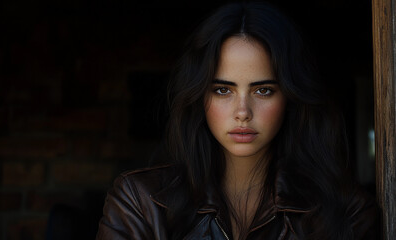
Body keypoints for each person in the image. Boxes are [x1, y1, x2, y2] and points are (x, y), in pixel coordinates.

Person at [96, 2, 378, 239]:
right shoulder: (141, 202)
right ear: (199, 97)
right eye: (223, 90)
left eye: (263, 90)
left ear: (290, 97)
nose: (242, 111)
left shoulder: (345, 211)